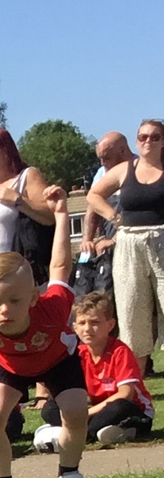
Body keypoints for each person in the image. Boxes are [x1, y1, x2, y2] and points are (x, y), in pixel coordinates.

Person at [0, 183, 93, 478]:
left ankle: (70, 476)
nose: (4, 310)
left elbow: (60, 267)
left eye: (15, 301)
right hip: (10, 363)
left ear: (34, 297)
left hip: (57, 359)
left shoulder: (53, 308)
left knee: (75, 411)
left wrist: (61, 215)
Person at [87, 120, 164, 370]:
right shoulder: (124, 170)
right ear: (136, 141)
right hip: (129, 245)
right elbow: (93, 195)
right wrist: (114, 217)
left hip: (161, 241)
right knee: (131, 313)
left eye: (155, 137)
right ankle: (135, 383)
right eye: (143, 137)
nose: (148, 141)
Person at [69, 293, 154, 448]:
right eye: (82, 323)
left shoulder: (119, 351)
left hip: (133, 410)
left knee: (119, 407)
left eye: (94, 322)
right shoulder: (78, 354)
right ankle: (112, 431)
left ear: (110, 325)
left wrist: (87, 413)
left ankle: (80, 432)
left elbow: (125, 394)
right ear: (75, 327)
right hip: (100, 410)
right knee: (50, 409)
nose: (87, 329)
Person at [0, 126, 56, 283]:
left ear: (6, 152)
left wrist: (19, 200)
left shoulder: (26, 177)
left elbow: (50, 215)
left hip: (18, 274)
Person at [76, 131, 132, 297]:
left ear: (123, 151)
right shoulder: (102, 173)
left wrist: (114, 240)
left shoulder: (138, 170)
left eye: (106, 158)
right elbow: (92, 209)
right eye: (99, 158)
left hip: (130, 243)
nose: (102, 163)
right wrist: (87, 240)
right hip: (108, 248)